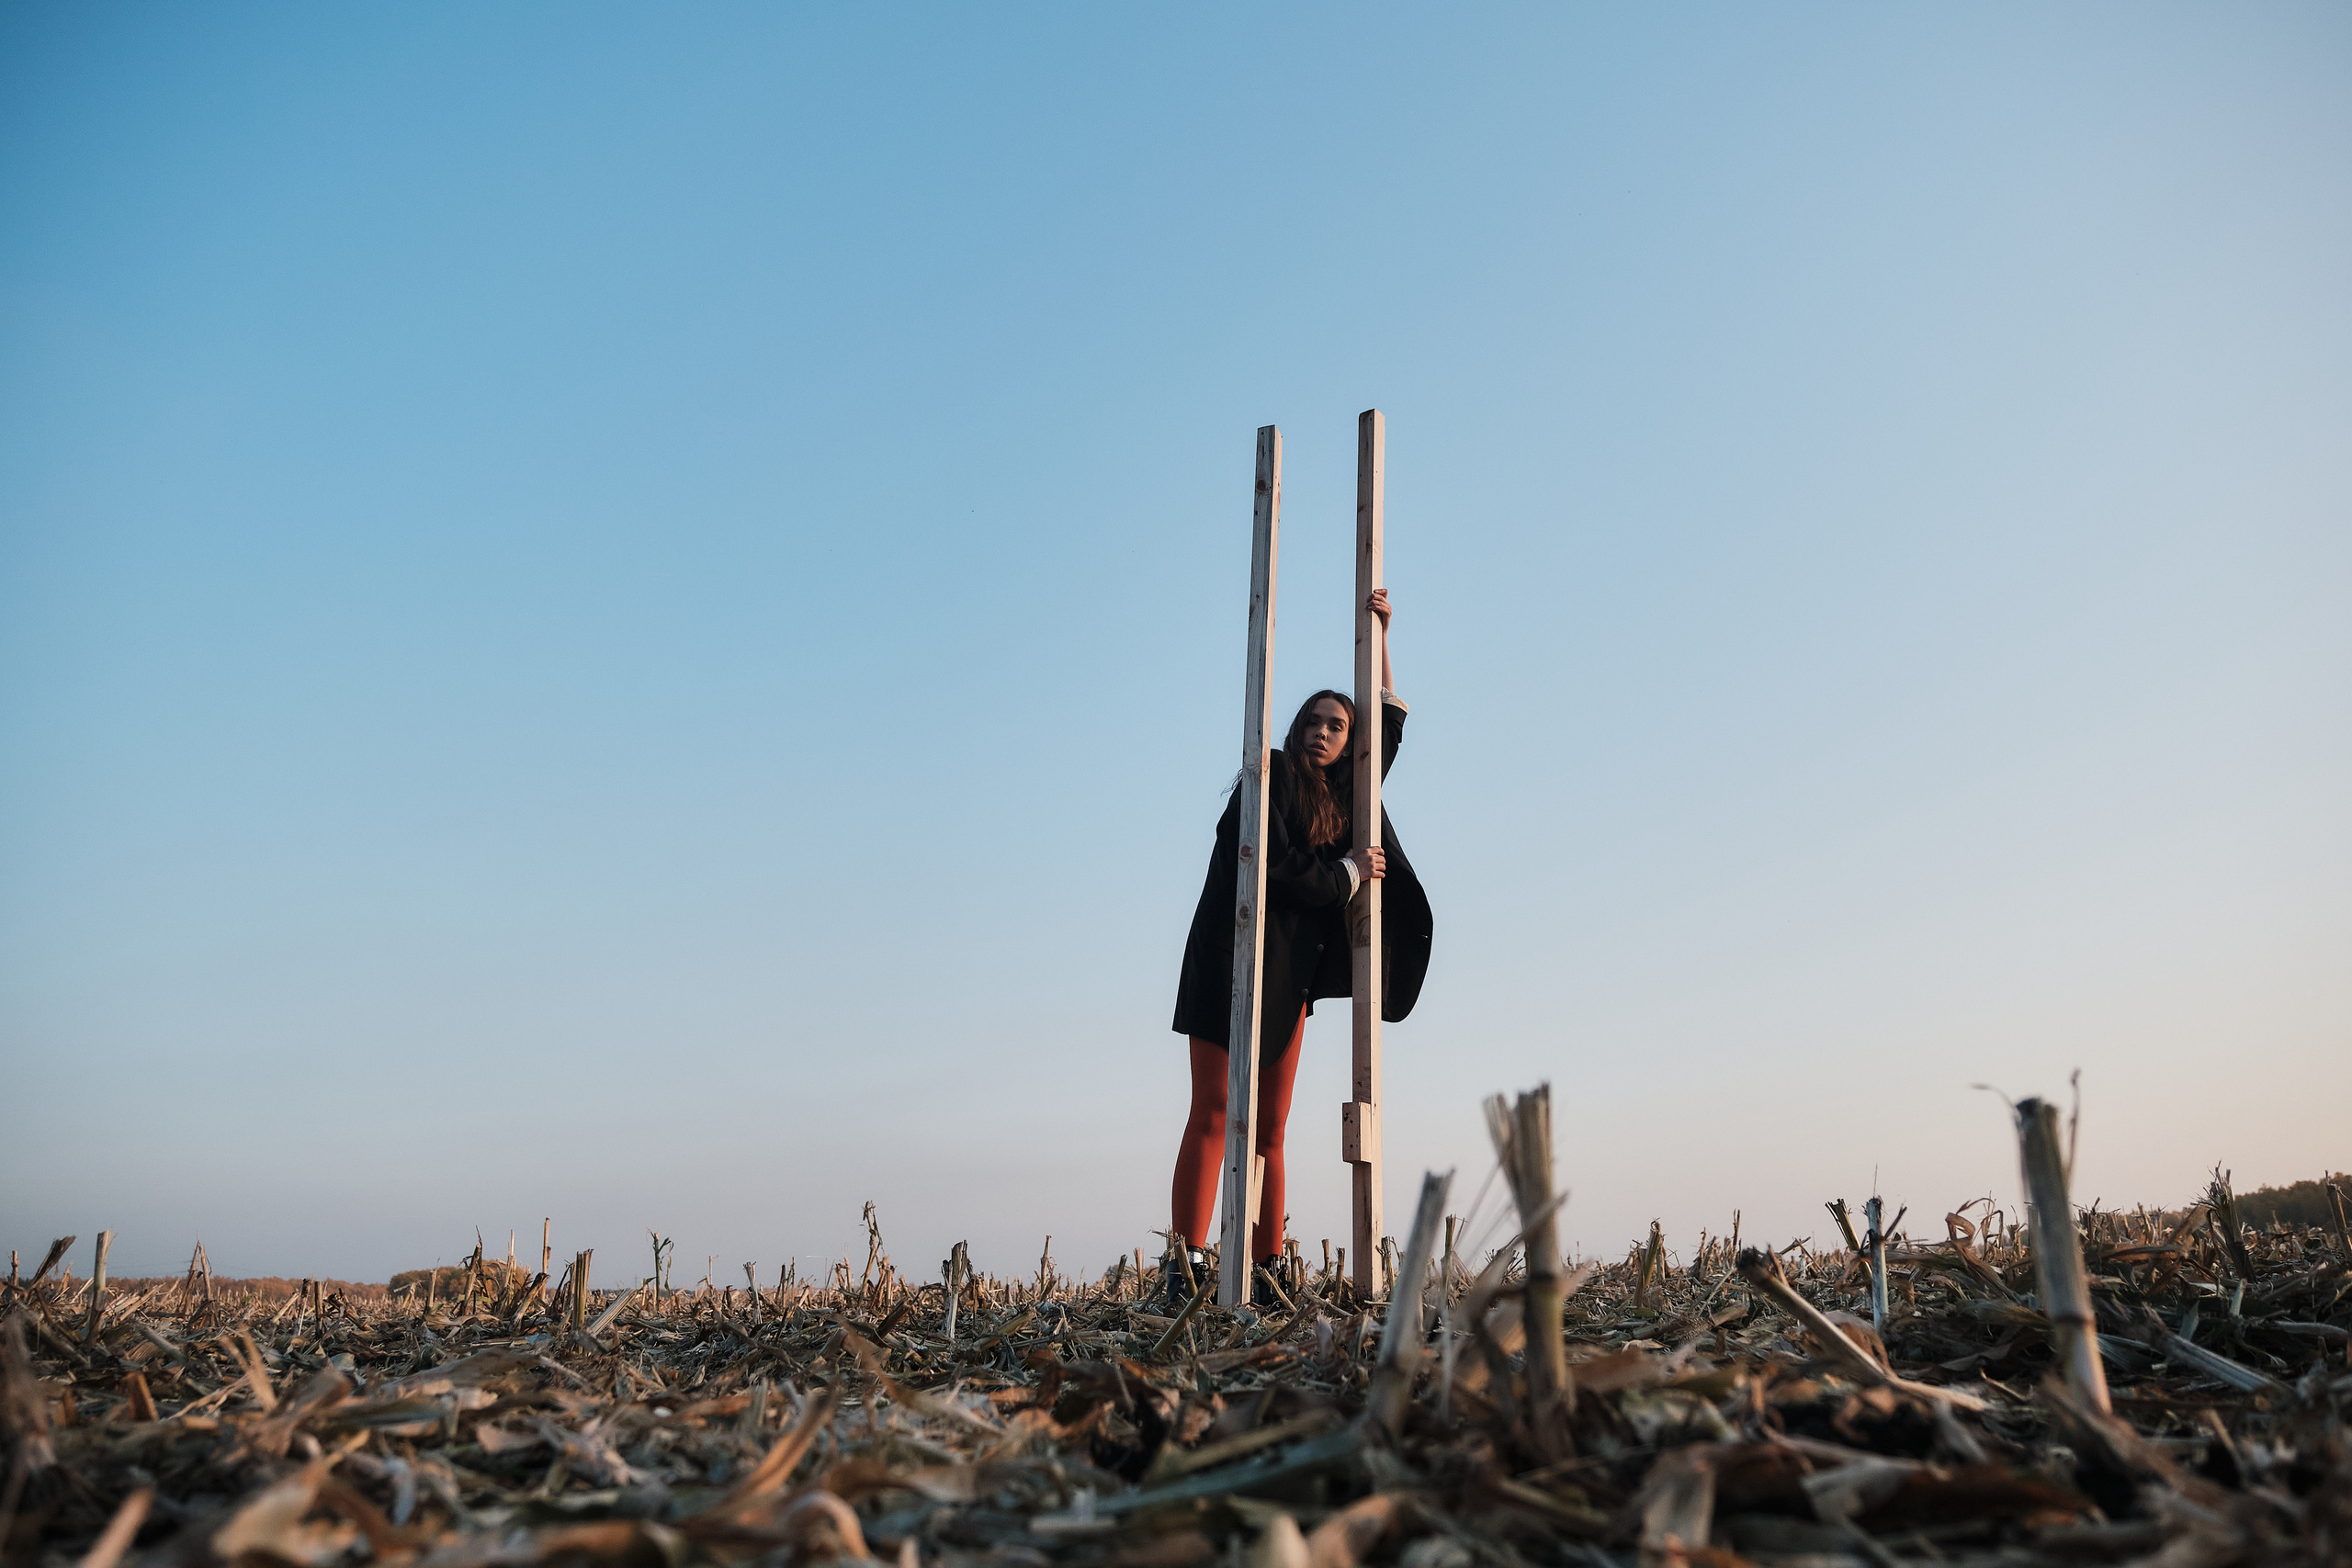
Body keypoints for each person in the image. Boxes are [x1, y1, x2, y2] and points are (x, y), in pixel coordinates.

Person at [1167, 589, 1434, 1304]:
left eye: (1336, 725)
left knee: (1270, 1131)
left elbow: (1389, 726)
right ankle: (1185, 1265)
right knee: (1215, 1110)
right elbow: (1275, 869)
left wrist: (1381, 634)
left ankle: (1266, 1267)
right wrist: (1348, 872)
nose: (1321, 732)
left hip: (1291, 978)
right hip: (1228, 962)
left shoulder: (1344, 800)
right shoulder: (1270, 775)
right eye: (1313, 721)